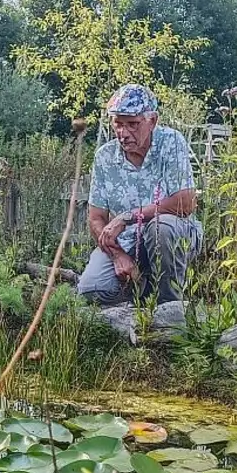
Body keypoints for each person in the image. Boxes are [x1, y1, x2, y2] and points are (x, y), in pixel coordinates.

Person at [77, 83, 203, 306]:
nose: (123, 133)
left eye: (132, 124)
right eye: (118, 124)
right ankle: (142, 293)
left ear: (152, 121)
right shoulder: (104, 157)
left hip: (174, 234)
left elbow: (186, 202)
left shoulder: (171, 142)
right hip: (126, 243)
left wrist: (129, 217)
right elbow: (96, 218)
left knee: (160, 228)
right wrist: (118, 256)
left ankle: (170, 308)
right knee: (91, 289)